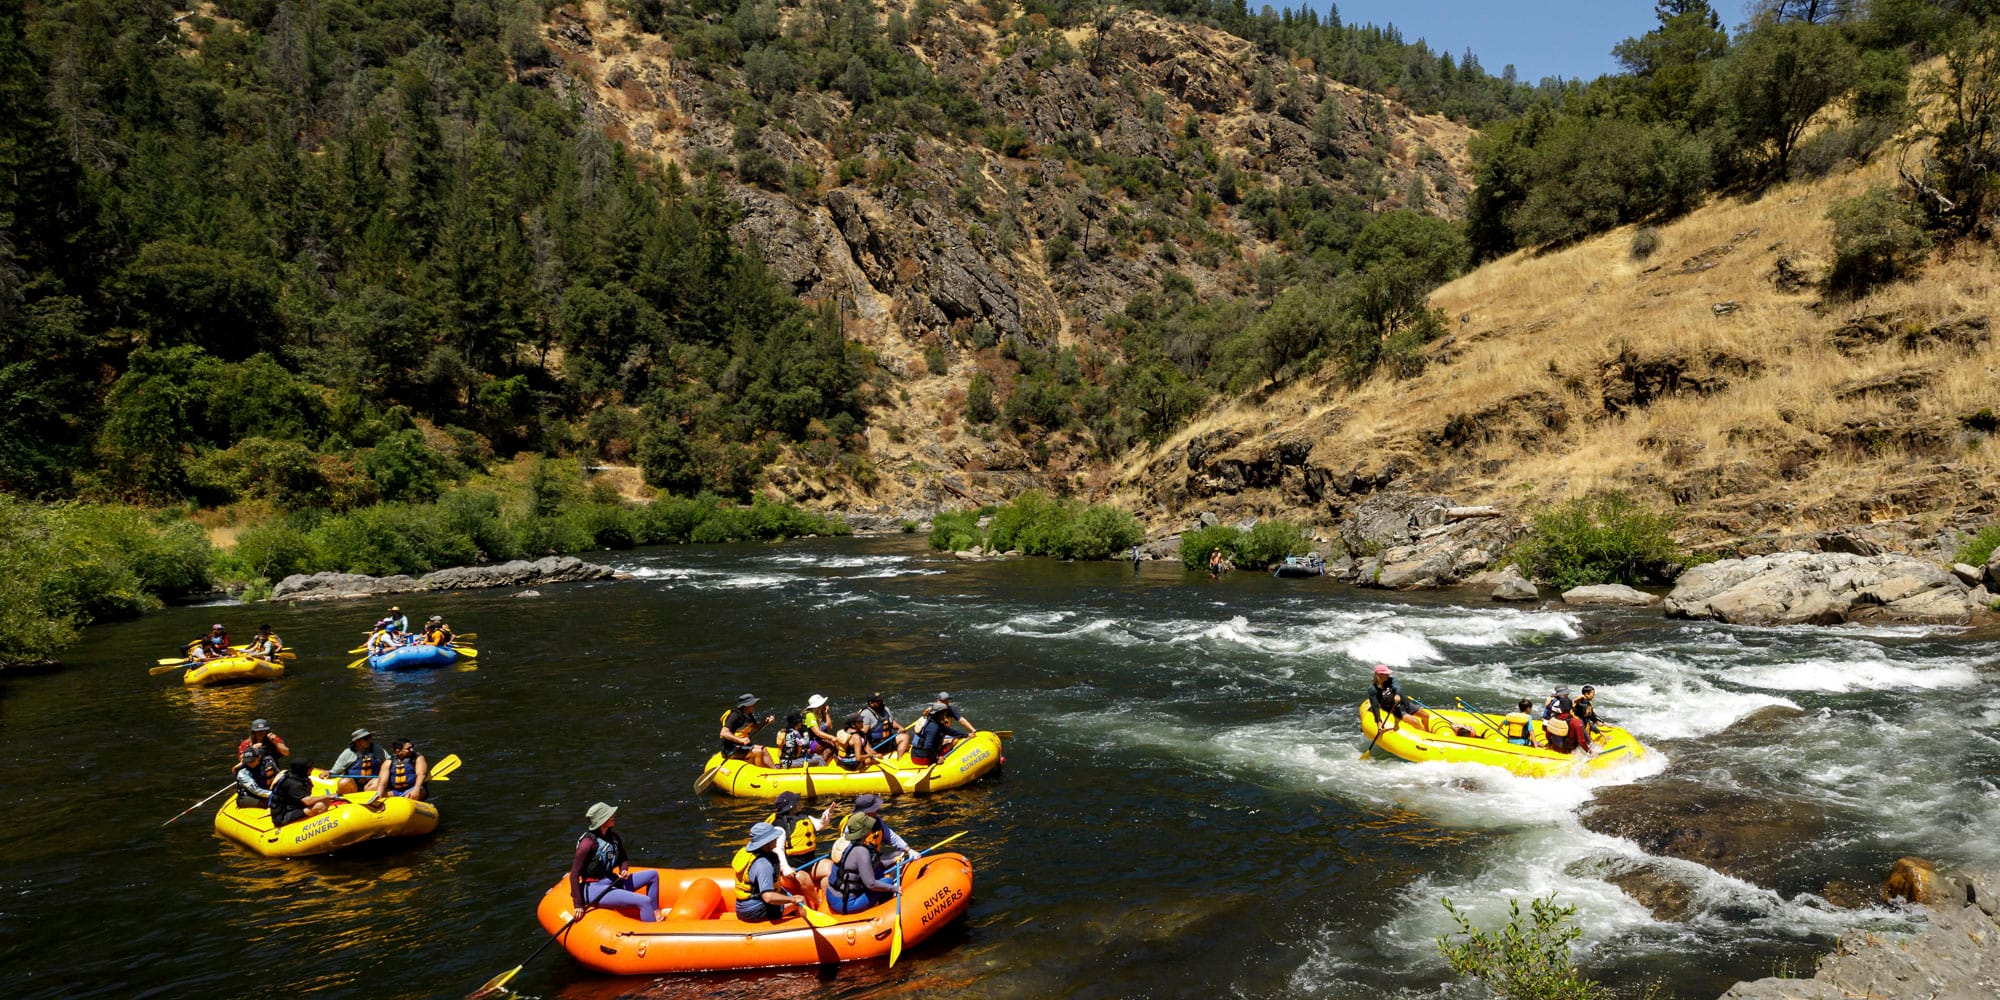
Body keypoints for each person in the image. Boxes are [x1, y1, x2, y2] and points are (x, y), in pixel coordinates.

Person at [570, 802, 662, 922]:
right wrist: (578, 905)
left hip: (612, 880)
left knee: (653, 875)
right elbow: (574, 874)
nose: (613, 816)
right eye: (609, 815)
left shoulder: (613, 838)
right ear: (601, 820)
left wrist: (623, 869)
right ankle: (652, 933)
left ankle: (656, 915)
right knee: (644, 901)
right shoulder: (587, 844)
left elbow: (623, 858)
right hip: (594, 888)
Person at [822, 813, 901, 915]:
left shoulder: (846, 843)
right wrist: (894, 888)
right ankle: (882, 909)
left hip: (833, 896)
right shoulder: (861, 851)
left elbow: (870, 866)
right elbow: (871, 884)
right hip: (845, 904)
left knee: (879, 873)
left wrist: (893, 860)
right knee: (887, 881)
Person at [733, 822, 807, 922]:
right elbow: (768, 897)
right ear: (766, 843)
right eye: (774, 838)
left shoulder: (749, 854)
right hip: (754, 911)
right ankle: (802, 929)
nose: (776, 839)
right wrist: (793, 899)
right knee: (801, 899)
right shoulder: (763, 864)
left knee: (787, 894)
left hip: (742, 907)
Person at [767, 791, 834, 898]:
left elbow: (820, 825)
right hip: (792, 870)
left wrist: (826, 817)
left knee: (830, 867)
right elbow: (777, 849)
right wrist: (785, 868)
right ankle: (817, 902)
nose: (800, 803)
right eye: (797, 802)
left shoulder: (803, 817)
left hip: (809, 864)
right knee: (803, 877)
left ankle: (826, 902)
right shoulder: (779, 826)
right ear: (791, 806)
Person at [269, 759, 341, 826]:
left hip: (295, 807)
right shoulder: (293, 784)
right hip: (283, 816)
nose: (312, 769)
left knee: (325, 802)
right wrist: (328, 796)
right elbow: (307, 802)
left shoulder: (299, 777)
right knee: (321, 805)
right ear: (303, 770)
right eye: (310, 768)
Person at [1366, 665, 1433, 734]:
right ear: (1380, 675)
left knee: (1426, 716)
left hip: (1403, 702)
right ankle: (1427, 736)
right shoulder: (1372, 689)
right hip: (1395, 708)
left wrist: (1397, 694)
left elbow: (1397, 687)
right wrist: (1379, 722)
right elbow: (1375, 706)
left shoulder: (1391, 680)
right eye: (1386, 674)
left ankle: (1427, 731)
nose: (1388, 674)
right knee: (1415, 721)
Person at [719, 694, 775, 768]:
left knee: (763, 749)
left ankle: (775, 771)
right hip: (731, 749)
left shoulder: (749, 715)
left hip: (742, 746)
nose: (755, 705)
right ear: (746, 705)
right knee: (758, 751)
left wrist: (766, 722)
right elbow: (724, 733)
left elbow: (756, 727)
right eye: (752, 704)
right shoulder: (735, 716)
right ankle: (761, 774)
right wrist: (741, 740)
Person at [326, 728, 387, 794]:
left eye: (369, 737)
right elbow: (335, 771)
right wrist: (328, 773)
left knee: (379, 781)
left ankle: (369, 796)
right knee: (344, 782)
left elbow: (388, 762)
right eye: (365, 739)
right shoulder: (347, 753)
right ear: (357, 741)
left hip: (371, 783)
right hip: (354, 784)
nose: (369, 740)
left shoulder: (377, 749)